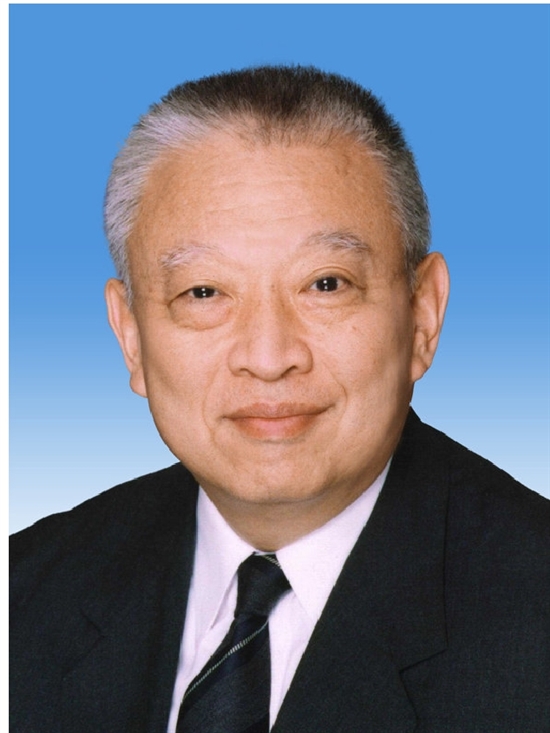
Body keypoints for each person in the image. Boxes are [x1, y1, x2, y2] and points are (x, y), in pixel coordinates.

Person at [10, 66, 550, 732]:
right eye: (204, 292)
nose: (268, 358)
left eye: (326, 284)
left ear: (423, 316)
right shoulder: (25, 592)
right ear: (130, 337)